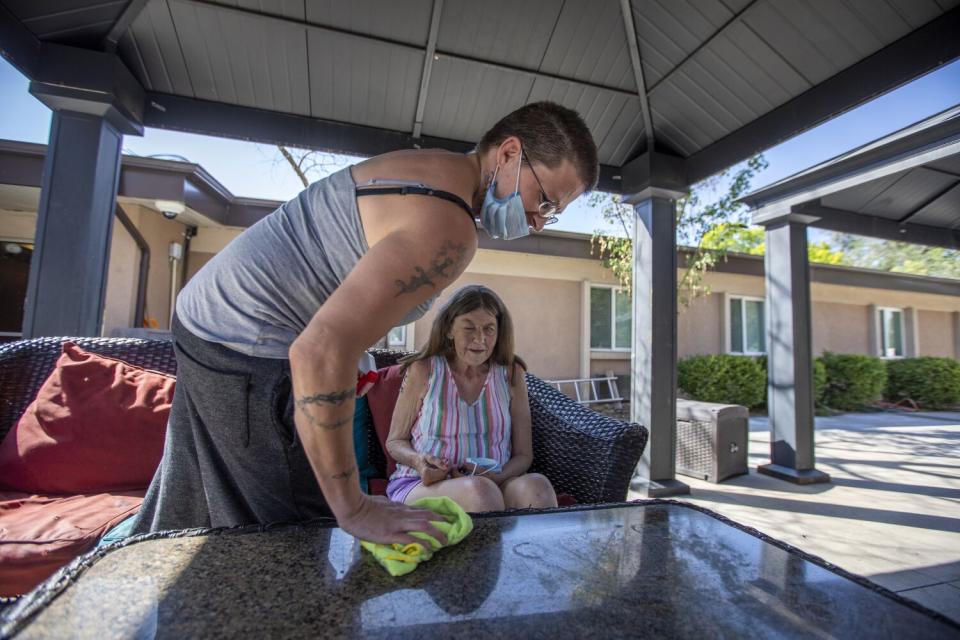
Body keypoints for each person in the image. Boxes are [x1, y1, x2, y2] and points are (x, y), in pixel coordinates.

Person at [131, 101, 598, 545]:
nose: (539, 221)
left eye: (553, 214)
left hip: (208, 316)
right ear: (511, 153)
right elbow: (317, 352)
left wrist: (356, 355)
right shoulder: (449, 227)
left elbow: (336, 285)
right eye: (546, 200)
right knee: (286, 540)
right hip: (244, 343)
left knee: (196, 508)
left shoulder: (432, 168)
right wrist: (354, 509)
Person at [385, 285, 558, 512]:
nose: (480, 338)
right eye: (468, 328)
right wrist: (419, 461)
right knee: (480, 492)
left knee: (538, 487)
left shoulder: (511, 374)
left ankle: (534, 550)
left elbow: (524, 455)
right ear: (449, 329)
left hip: (497, 482)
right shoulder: (424, 369)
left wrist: (498, 477)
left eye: (489, 329)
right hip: (424, 483)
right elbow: (395, 442)